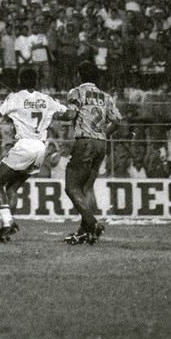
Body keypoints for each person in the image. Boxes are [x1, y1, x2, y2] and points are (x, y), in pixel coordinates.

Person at [0, 67, 74, 244]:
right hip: (40, 148)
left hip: (24, 145)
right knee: (12, 188)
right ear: (36, 82)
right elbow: (68, 115)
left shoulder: (15, 97)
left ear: (20, 81)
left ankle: (8, 223)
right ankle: (6, 229)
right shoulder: (46, 99)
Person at [62, 61, 122, 245]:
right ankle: (84, 232)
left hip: (85, 141)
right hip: (101, 143)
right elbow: (117, 120)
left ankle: (93, 224)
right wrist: (104, 134)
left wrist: (56, 114)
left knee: (71, 187)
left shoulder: (76, 92)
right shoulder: (106, 96)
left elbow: (71, 115)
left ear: (79, 75)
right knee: (86, 188)